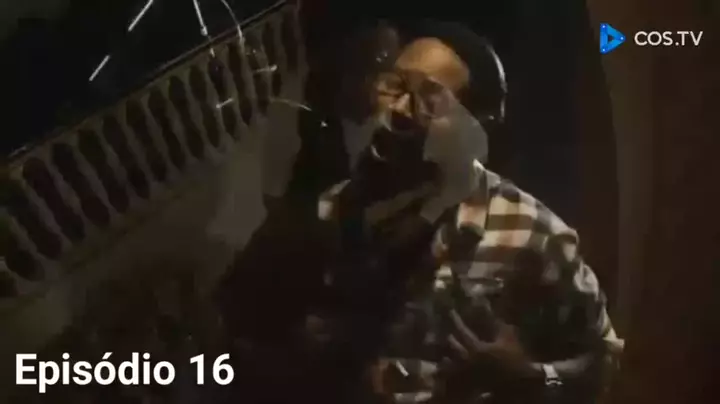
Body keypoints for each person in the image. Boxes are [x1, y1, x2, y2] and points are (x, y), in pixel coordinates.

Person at [310, 24, 620, 404]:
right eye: (395, 86)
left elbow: (605, 359)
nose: (398, 110)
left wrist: (532, 376)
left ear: (476, 129)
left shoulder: (532, 233)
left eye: (430, 100)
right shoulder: (332, 212)